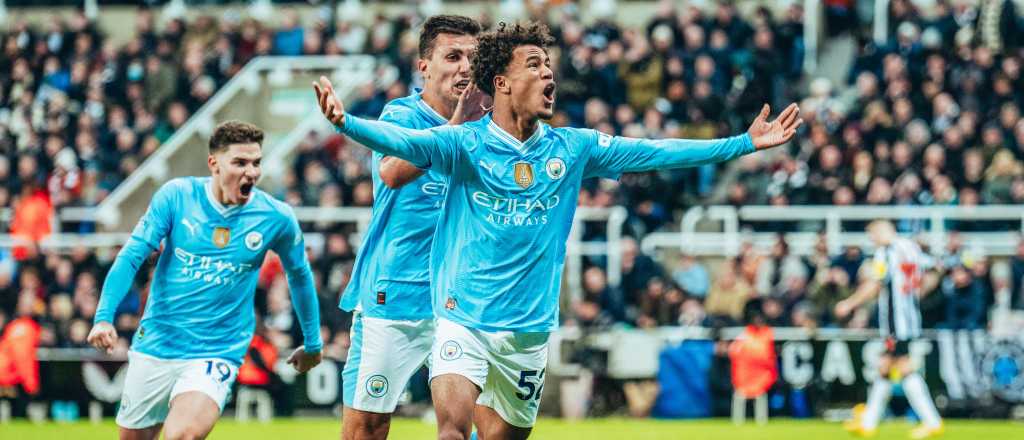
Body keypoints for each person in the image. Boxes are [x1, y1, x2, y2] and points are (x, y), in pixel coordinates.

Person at [314, 21, 801, 440]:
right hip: (453, 312)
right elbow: (398, 151)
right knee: (448, 430)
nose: (549, 73)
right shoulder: (459, 140)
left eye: (549, 65)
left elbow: (657, 151)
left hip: (527, 328)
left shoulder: (573, 148)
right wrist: (345, 122)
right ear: (502, 81)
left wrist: (742, 143)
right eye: (535, 64)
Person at [87, 121, 323, 440]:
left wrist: (312, 342)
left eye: (256, 163)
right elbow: (131, 256)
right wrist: (103, 318)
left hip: (216, 351)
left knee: (181, 436)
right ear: (214, 164)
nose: (251, 172)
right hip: (157, 342)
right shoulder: (177, 196)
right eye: (240, 162)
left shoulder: (276, 217)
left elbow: (299, 275)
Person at [337, 15, 486, 440]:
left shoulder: (487, 127)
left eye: (472, 58)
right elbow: (391, 172)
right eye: (452, 56)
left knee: (462, 426)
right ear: (425, 66)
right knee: (366, 427)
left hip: (460, 299)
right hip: (396, 290)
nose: (464, 67)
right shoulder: (401, 114)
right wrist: (454, 128)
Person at [835, 220, 944, 439]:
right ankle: (868, 423)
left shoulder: (886, 251)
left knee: (904, 368)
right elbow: (935, 267)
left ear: (883, 231)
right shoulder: (911, 247)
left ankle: (932, 421)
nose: (872, 240)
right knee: (885, 367)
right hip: (910, 317)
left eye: (872, 235)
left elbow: (875, 284)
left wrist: (849, 303)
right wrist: (915, 295)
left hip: (896, 322)